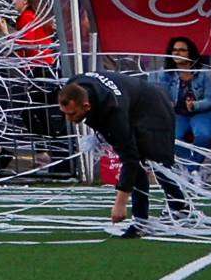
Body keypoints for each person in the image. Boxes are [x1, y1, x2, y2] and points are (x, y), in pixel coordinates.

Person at [59, 70, 184, 235]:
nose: (69, 119)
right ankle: (143, 220)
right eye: (65, 113)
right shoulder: (73, 86)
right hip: (131, 101)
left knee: (157, 161)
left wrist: (120, 203)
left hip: (153, 107)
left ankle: (177, 208)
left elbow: (130, 159)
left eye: (72, 114)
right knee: (138, 160)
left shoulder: (113, 112)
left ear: (86, 106)